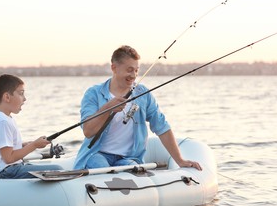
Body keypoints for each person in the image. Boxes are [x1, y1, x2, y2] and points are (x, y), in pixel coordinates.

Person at [73, 45, 202, 171]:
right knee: (100, 166)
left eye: (136, 70)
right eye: (129, 70)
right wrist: (108, 108)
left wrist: (180, 160)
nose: (134, 75)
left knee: (131, 169)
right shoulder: (93, 93)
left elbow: (162, 127)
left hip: (128, 158)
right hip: (96, 155)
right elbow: (88, 131)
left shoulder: (143, 94)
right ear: (114, 68)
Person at [0, 74, 63, 179]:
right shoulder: (3, 122)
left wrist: (23, 145)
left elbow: (5, 148)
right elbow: (8, 158)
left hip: (10, 169)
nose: (25, 99)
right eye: (21, 94)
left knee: (53, 169)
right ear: (7, 97)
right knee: (57, 169)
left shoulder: (5, 118)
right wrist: (34, 145)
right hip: (4, 172)